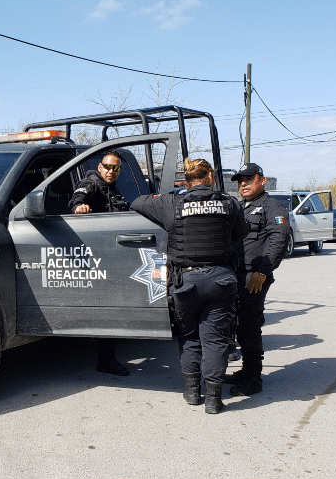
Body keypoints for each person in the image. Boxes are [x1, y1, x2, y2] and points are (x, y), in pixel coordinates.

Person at [131, 158, 248, 414]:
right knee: (216, 341)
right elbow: (242, 232)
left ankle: (193, 392)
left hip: (186, 282)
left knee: (190, 337)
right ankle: (214, 400)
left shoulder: (172, 203)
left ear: (186, 181)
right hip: (220, 280)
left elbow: (137, 202)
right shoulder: (229, 203)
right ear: (210, 177)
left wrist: (162, 197)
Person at [224, 163, 288, 396]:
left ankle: (253, 379)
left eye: (249, 180)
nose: (243, 184)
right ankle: (246, 371)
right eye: (240, 181)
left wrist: (262, 272)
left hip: (254, 276)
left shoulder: (273, 207)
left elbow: (278, 241)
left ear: (261, 180)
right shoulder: (241, 207)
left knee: (249, 327)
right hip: (235, 274)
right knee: (238, 326)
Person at [70, 151, 131, 376]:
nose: (110, 171)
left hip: (111, 256)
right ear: (100, 166)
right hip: (95, 257)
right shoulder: (91, 183)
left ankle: (108, 357)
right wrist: (79, 207)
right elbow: (77, 199)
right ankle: (106, 360)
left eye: (115, 168)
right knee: (109, 308)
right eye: (107, 166)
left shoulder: (111, 189)